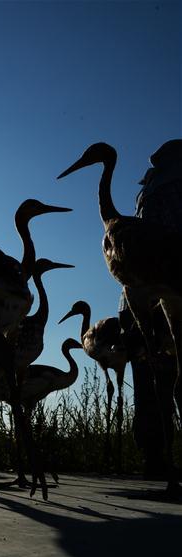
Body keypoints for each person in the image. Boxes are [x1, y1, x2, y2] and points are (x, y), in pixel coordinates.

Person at [120, 139, 181, 478]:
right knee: (161, 376)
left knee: (150, 378)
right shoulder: (172, 189)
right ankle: (159, 458)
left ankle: (155, 458)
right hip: (161, 294)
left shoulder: (150, 190)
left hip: (136, 299)